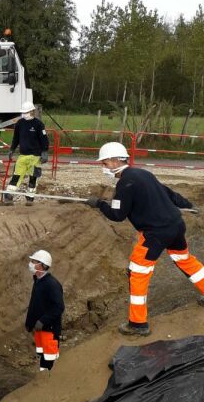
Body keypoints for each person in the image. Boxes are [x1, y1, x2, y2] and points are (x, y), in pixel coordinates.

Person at [87, 141, 204, 335]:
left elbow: (117, 215)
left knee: (138, 273)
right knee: (185, 260)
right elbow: (168, 193)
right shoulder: (143, 174)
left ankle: (138, 324)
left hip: (155, 234)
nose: (103, 167)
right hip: (175, 225)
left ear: (116, 161)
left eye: (105, 163)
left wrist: (99, 204)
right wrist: (188, 205)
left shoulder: (125, 182)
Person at [25, 249, 65, 372]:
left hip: (49, 331)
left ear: (42, 265)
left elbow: (59, 307)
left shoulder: (52, 285)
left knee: (49, 359)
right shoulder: (38, 281)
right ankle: (43, 377)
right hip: (40, 330)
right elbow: (35, 305)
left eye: (34, 261)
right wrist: (30, 324)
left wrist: (42, 321)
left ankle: (48, 383)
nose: (31, 263)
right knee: (42, 355)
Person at [4, 103, 48, 205]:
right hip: (22, 156)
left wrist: (44, 151)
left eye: (26, 112)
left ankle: (30, 199)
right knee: (16, 176)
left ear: (32, 112)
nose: (24, 114)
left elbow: (44, 139)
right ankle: (9, 197)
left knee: (33, 178)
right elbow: (16, 138)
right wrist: (12, 149)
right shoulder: (19, 123)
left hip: (35, 157)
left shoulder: (38, 124)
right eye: (23, 112)